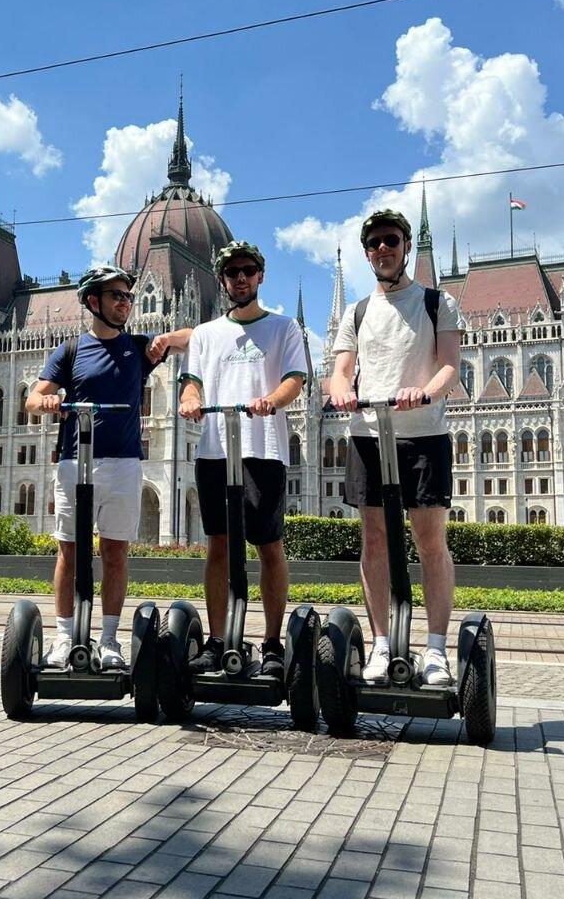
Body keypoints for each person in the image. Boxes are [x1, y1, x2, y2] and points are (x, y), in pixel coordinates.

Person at [28, 265, 191, 670]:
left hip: (124, 464)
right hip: (74, 463)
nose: (125, 303)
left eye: (128, 297)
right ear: (93, 302)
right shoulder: (69, 351)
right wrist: (47, 401)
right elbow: (32, 398)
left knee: (115, 553)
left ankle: (109, 639)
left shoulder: (138, 348)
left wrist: (167, 339)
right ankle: (64, 637)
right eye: (117, 296)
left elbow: (197, 338)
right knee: (69, 552)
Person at [329, 208, 465, 686]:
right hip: (368, 434)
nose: (383, 249)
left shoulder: (437, 303)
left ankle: (435, 648)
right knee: (373, 540)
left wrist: (425, 391)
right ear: (367, 254)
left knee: (430, 540)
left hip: (423, 433)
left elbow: (450, 366)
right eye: (375, 243)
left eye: (391, 240)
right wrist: (340, 391)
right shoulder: (357, 312)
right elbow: (341, 369)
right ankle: (382, 643)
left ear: (405, 246)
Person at [178, 241, 308, 678]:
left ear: (260, 276)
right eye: (232, 272)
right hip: (215, 450)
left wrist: (272, 400)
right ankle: (217, 641)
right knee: (217, 545)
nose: (240, 278)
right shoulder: (205, 333)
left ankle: (271, 644)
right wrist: (191, 400)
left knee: (269, 545)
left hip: (264, 449)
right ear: (223, 280)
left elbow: (295, 380)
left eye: (248, 270)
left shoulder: (284, 328)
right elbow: (192, 381)